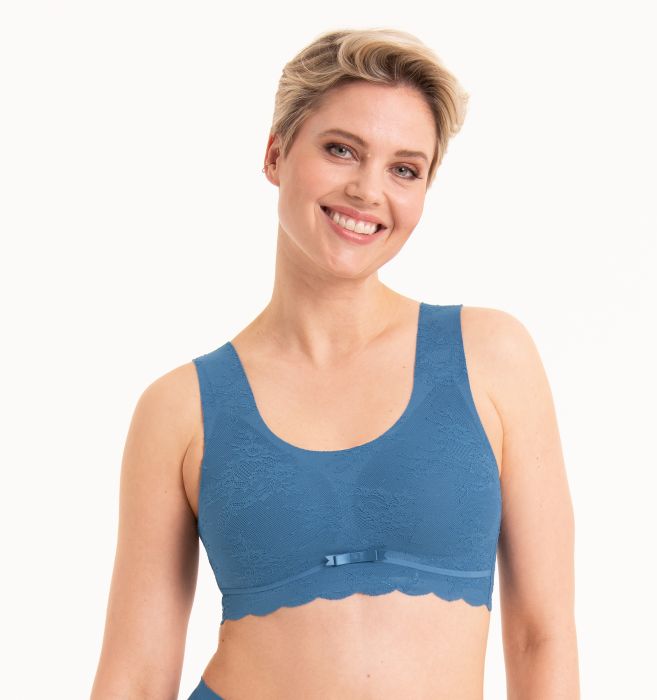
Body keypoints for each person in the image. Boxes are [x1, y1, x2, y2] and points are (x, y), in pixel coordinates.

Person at [91, 27, 579, 699]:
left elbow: (541, 636)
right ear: (275, 154)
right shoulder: (179, 410)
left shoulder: (492, 357)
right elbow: (137, 678)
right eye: (341, 149)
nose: (368, 190)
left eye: (404, 169)